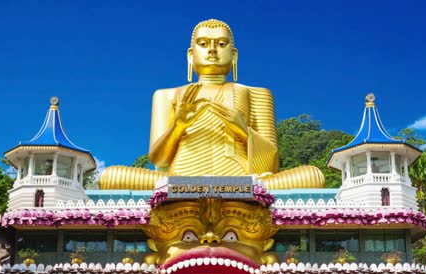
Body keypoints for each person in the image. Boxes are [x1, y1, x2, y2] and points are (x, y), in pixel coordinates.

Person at [99, 19, 324, 190]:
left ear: (233, 55)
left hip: (243, 181)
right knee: (110, 176)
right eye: (204, 43)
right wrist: (178, 126)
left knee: (312, 176)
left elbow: (271, 165)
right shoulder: (166, 95)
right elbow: (159, 159)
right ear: (190, 55)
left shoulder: (255, 93)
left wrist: (242, 130)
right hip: (179, 181)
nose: (212, 50)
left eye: (221, 44)